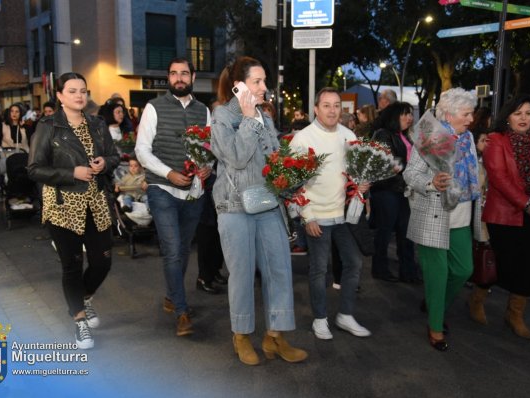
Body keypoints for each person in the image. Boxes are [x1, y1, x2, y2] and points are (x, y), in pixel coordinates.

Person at [211, 56, 307, 366]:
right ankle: (241, 336)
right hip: (234, 206)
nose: (265, 87)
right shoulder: (222, 116)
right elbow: (236, 157)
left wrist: (292, 178)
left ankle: (275, 336)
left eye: (264, 81)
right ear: (239, 86)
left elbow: (273, 159)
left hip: (268, 204)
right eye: (258, 82)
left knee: (280, 269)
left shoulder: (266, 117)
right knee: (241, 274)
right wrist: (250, 118)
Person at [27, 72, 120, 349]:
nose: (79, 96)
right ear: (59, 96)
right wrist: (72, 173)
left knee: (102, 261)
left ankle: (84, 297)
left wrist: (106, 162)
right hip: (63, 206)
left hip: (97, 203)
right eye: (72, 91)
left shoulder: (98, 123)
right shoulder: (48, 126)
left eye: (83, 90)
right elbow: (33, 169)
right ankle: (79, 319)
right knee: (72, 266)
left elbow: (114, 155)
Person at [135, 57, 211, 337]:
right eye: (173, 73)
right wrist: (168, 174)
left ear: (193, 76)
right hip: (162, 189)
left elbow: (208, 147)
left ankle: (171, 295)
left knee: (181, 250)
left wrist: (207, 167)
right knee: (172, 249)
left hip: (193, 192)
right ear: (168, 77)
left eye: (184, 73)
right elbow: (142, 150)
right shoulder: (153, 107)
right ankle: (181, 311)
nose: (178, 78)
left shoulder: (204, 110)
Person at [290, 87, 371, 341]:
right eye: (326, 105)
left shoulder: (349, 136)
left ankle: (345, 315)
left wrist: (362, 185)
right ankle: (320, 319)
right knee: (319, 270)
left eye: (337, 105)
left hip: (344, 215)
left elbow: (354, 173)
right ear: (316, 109)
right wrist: (308, 215)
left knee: (354, 263)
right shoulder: (302, 138)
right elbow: (293, 183)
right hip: (318, 216)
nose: (333, 110)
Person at [404, 87, 482, 352]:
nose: (471, 119)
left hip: (461, 215)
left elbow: (470, 173)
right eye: (466, 114)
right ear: (449, 114)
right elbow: (410, 175)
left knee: (463, 270)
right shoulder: (429, 137)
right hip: (433, 215)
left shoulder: (468, 138)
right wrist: (431, 182)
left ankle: (435, 304)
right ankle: (435, 326)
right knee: (438, 276)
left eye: (471, 113)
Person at [479, 95, 530, 339]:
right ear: (507, 116)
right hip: (503, 214)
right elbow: (499, 178)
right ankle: (477, 299)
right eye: (518, 113)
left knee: (529, 267)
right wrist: (526, 202)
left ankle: (514, 315)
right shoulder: (496, 140)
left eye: (529, 113)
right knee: (501, 264)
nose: (524, 118)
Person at [370, 102, 419, 283]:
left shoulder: (404, 136)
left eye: (411, 114)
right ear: (394, 116)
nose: (409, 118)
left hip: (402, 190)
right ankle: (380, 269)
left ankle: (408, 271)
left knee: (406, 233)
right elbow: (390, 163)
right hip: (387, 190)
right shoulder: (383, 134)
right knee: (385, 231)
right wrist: (413, 170)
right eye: (405, 114)